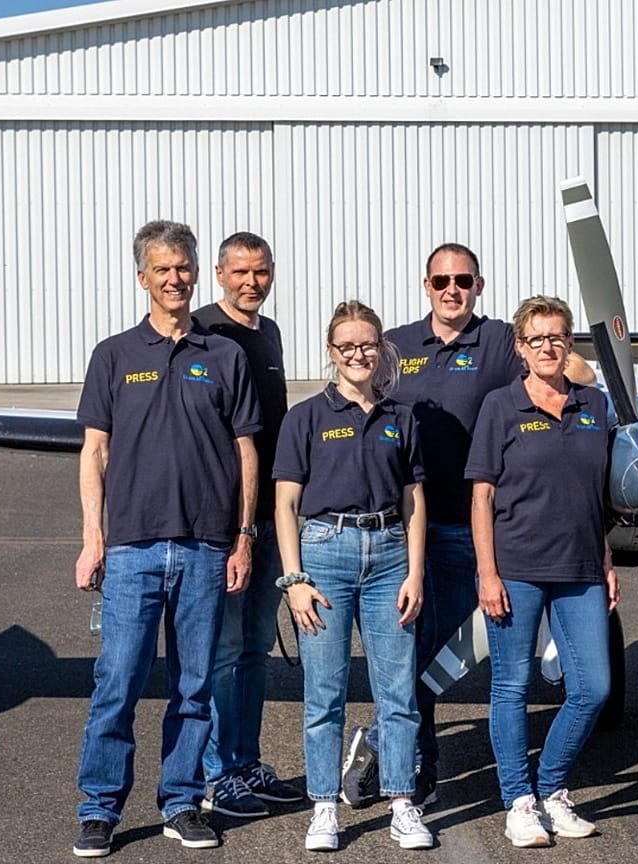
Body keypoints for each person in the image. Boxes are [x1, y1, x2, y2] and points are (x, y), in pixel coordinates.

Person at [344, 244, 596, 807]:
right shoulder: (398, 346)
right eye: (440, 280)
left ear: (478, 285)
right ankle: (416, 761)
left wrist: (595, 385)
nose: (451, 289)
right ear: (425, 284)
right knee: (407, 647)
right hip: (400, 528)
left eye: (462, 280)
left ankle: (386, 740)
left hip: (465, 526)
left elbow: (568, 369)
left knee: (436, 652)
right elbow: (359, 401)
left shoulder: (501, 344)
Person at [72, 220, 261, 857]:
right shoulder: (115, 355)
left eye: (183, 266)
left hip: (208, 546)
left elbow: (246, 453)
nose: (174, 278)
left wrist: (242, 538)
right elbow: (94, 452)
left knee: (195, 685)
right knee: (117, 682)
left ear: (194, 272)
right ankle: (99, 809)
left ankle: (182, 802)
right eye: (162, 268)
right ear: (142, 278)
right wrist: (92, 538)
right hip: (132, 549)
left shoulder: (225, 356)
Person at [272, 300, 433, 851]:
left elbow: (414, 502)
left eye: (367, 345)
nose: (358, 354)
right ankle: (324, 807)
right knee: (325, 692)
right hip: (326, 554)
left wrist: (415, 572)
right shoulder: (306, 418)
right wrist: (294, 580)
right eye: (347, 346)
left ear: (382, 349)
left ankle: (402, 802)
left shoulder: (401, 418)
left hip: (390, 554)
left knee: (398, 691)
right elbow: (284, 504)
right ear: (331, 352)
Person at [465, 296, 617, 848]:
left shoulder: (594, 406)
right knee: (512, 685)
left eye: (558, 338)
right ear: (520, 347)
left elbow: (597, 493)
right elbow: (481, 497)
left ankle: (552, 789)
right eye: (537, 339)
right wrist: (487, 571)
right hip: (517, 567)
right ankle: (519, 801)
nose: (548, 348)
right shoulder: (500, 407)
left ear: (569, 344)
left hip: (580, 567)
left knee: (593, 687)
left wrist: (603, 559)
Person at [194, 232, 302, 818]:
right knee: (225, 647)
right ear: (219, 273)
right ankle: (217, 774)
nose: (251, 282)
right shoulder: (204, 333)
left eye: (260, 272)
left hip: (268, 518)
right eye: (240, 272)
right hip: (228, 522)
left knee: (256, 647)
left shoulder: (271, 333)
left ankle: (244, 759)